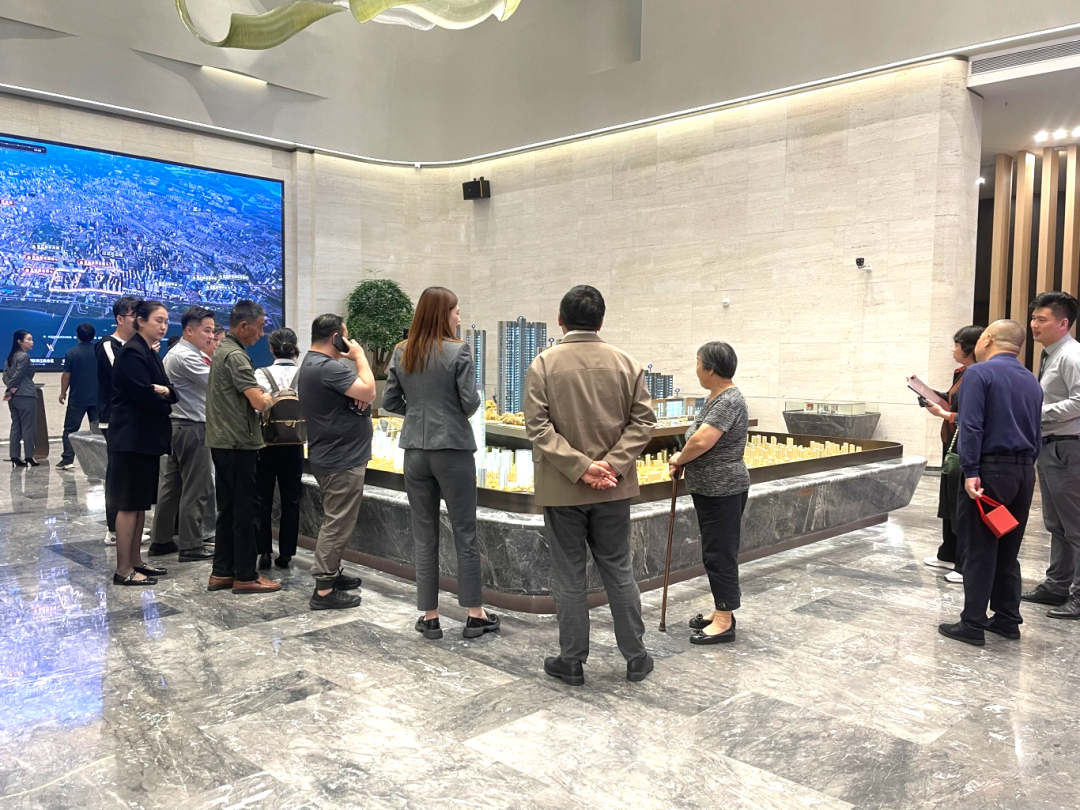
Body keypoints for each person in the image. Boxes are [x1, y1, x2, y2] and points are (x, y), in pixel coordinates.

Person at [524, 285, 656, 685]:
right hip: (614, 487)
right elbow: (644, 422)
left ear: (560, 320)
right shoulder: (627, 364)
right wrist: (611, 465)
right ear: (601, 321)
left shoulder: (543, 364)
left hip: (562, 488)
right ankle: (636, 656)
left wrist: (581, 468)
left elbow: (537, 427)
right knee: (618, 568)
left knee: (569, 574)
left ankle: (572, 660)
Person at [383, 287, 500, 637]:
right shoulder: (458, 350)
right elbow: (470, 403)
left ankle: (430, 616)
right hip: (452, 449)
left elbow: (390, 401)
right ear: (442, 314)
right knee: (464, 531)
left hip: (415, 452)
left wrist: (417, 412)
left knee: (424, 534)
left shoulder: (402, 351)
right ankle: (475, 614)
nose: (459, 317)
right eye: (456, 311)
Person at [938, 320, 1043, 646]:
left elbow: (971, 426)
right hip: (1023, 473)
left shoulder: (978, 373)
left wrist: (971, 471)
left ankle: (972, 623)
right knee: (1008, 549)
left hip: (988, 471)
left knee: (980, 547)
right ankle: (1007, 619)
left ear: (987, 339)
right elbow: (1036, 430)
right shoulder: (1030, 379)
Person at [668, 341, 750, 645]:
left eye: (698, 362)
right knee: (715, 550)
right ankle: (720, 609)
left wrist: (679, 458)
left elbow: (702, 440)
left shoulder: (728, 400)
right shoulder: (718, 398)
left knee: (719, 552)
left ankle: (725, 620)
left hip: (722, 488)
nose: (696, 369)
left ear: (710, 368)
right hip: (712, 488)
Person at [297, 314, 375, 610]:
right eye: (346, 335)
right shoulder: (327, 367)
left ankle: (332, 571)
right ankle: (324, 589)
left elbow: (360, 394)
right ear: (335, 338)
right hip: (341, 459)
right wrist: (360, 357)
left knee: (337, 520)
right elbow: (369, 391)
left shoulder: (312, 364)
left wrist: (359, 395)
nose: (350, 341)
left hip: (333, 454)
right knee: (338, 523)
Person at [205, 300, 278, 594]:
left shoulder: (223, 350)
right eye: (259, 327)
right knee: (246, 510)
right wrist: (269, 397)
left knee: (228, 510)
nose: (261, 333)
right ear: (244, 325)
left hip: (223, 441)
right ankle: (246, 576)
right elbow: (258, 401)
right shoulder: (236, 355)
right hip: (238, 442)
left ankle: (222, 572)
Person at [108, 300, 178, 586]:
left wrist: (163, 392)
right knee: (128, 504)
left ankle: (136, 561)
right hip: (131, 439)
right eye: (158, 320)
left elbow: (171, 391)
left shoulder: (148, 352)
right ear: (140, 321)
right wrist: (162, 394)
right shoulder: (132, 352)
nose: (163, 326)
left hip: (145, 439)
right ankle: (123, 569)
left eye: (166, 321)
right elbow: (143, 395)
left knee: (139, 505)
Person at [1021, 292, 1080, 619]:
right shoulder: (1051, 354)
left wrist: (1037, 413)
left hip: (1068, 446)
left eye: (1041, 319)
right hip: (1050, 445)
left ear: (1063, 323)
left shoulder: (1072, 355)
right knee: (1056, 523)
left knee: (1075, 525)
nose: (1034, 324)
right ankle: (1057, 586)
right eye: (1033, 318)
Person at [148, 306, 217, 562]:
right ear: (189, 330)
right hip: (192, 427)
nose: (211, 336)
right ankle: (191, 545)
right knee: (196, 488)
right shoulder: (186, 356)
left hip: (179, 426)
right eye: (206, 331)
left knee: (173, 487)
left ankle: (161, 539)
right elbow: (216, 383)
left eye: (212, 331)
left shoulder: (182, 353)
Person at [921, 325, 983, 584]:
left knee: (960, 503)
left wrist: (945, 414)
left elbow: (973, 417)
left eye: (956, 344)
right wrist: (927, 393)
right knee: (948, 499)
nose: (953, 349)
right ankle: (948, 551)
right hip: (951, 441)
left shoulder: (978, 375)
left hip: (964, 443)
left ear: (969, 347)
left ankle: (962, 561)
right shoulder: (962, 373)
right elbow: (952, 398)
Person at [255, 327, 304, 570]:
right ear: (295, 347)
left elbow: (255, 407)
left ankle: (264, 550)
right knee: (291, 499)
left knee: (263, 498)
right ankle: (286, 553)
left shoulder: (261, 374)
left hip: (267, 442)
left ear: (271, 348)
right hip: (295, 443)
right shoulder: (303, 375)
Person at [96, 296, 140, 544]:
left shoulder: (136, 345)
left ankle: (128, 528)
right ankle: (113, 529)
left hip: (133, 418)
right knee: (117, 473)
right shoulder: (108, 345)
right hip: (113, 418)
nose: (138, 320)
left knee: (131, 474)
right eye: (134, 316)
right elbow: (123, 374)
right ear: (120, 319)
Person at [57, 323, 99, 471]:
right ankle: (100, 460)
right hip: (98, 398)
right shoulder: (99, 351)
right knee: (99, 430)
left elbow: (66, 376)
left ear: (78, 336)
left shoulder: (72, 353)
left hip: (77, 398)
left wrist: (63, 392)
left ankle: (67, 460)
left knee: (70, 429)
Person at [3, 330, 37, 468]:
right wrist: (12, 387)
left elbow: (5, 376)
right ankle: (29, 456)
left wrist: (10, 389)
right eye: (29, 339)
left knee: (16, 425)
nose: (32, 342)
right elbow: (18, 375)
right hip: (26, 395)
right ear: (20, 341)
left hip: (14, 397)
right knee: (28, 426)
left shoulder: (10, 357)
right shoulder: (24, 357)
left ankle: (14, 455)